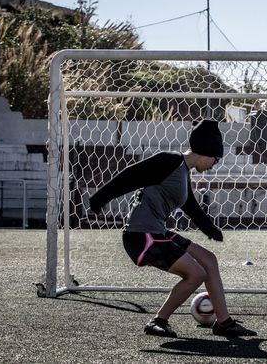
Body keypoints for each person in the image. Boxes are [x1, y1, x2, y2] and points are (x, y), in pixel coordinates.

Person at [89, 120, 256, 338]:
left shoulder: (183, 172)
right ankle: (158, 321)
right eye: (216, 159)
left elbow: (190, 206)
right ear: (206, 152)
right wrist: (99, 199)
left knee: (209, 259)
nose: (215, 164)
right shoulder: (169, 160)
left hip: (157, 232)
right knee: (196, 274)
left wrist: (210, 229)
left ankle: (224, 323)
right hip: (141, 235)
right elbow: (131, 175)